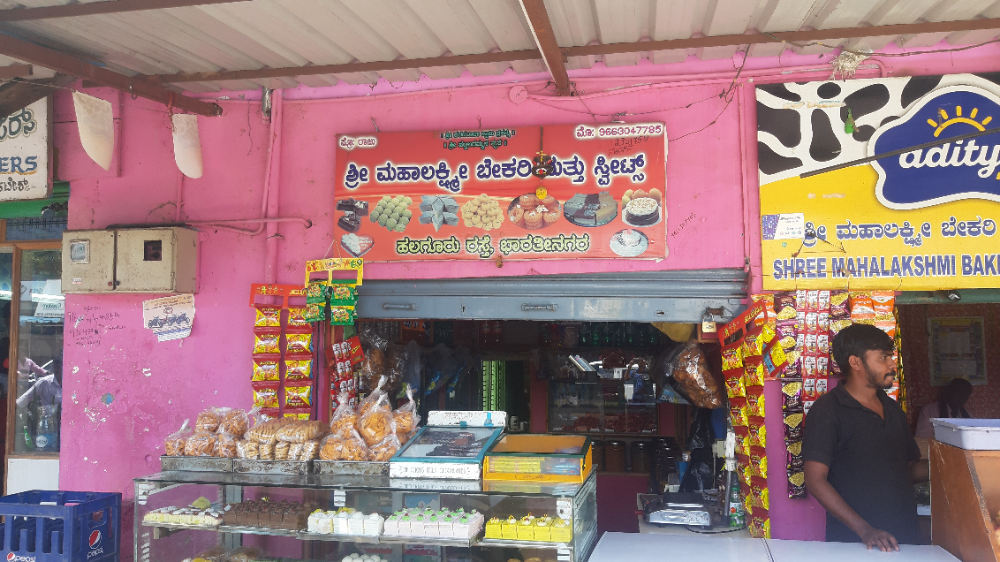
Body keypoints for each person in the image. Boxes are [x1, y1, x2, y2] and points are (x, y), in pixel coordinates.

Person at [803, 324, 926, 551]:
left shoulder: (893, 409)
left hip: (905, 540)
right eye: (883, 357)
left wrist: (949, 464)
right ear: (855, 362)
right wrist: (865, 530)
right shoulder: (828, 411)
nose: (892, 364)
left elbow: (907, 470)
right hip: (855, 545)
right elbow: (815, 481)